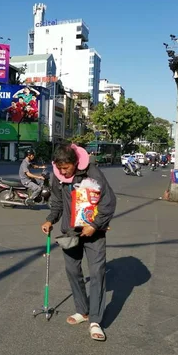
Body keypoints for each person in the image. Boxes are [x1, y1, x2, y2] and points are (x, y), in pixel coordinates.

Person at [41, 144, 116, 341]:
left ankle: (95, 321)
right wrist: (50, 219)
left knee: (97, 271)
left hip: (94, 231)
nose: (63, 171)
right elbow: (57, 202)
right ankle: (82, 311)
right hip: (70, 231)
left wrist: (96, 224)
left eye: (66, 167)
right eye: (60, 167)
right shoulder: (57, 176)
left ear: (75, 163)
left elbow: (108, 201)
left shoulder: (92, 173)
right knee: (73, 271)